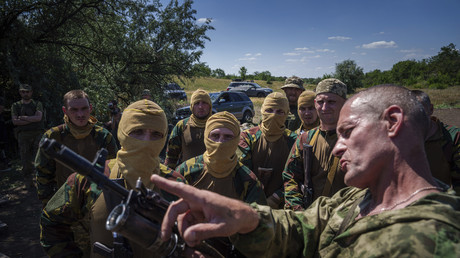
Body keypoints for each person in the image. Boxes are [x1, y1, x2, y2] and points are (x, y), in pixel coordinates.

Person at [152, 84, 460, 257]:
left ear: (392, 122)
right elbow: (298, 228)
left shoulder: (436, 238)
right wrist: (243, 218)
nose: (338, 147)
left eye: (348, 132)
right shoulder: (353, 201)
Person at [40, 99, 180, 257]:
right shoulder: (90, 179)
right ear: (123, 132)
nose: (146, 141)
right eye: (137, 132)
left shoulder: (176, 183)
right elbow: (51, 223)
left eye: (156, 134)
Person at [35, 90, 118, 207]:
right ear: (65, 111)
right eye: (74, 110)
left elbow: (113, 172)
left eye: (84, 108)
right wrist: (48, 204)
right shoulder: (52, 137)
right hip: (63, 201)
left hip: (96, 201)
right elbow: (43, 174)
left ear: (90, 108)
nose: (80, 114)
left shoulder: (104, 136)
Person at [174, 111, 266, 205]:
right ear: (206, 137)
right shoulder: (185, 171)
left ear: (236, 140)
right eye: (215, 135)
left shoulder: (248, 180)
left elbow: (257, 217)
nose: (220, 142)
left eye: (228, 137)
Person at [283, 78, 348, 210]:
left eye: (331, 102)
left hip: (346, 219)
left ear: (345, 104)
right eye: (320, 102)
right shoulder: (305, 139)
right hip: (310, 218)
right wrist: (298, 211)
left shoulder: (357, 139)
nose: (325, 107)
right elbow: (290, 176)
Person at [238, 92, 297, 208]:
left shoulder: (294, 141)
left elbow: (295, 177)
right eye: (269, 110)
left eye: (279, 112)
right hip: (250, 203)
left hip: (282, 206)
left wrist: (276, 198)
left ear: (286, 115)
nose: (274, 115)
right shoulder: (247, 137)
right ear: (262, 111)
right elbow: (242, 172)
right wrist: (258, 200)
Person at [411, 90, 460, 193]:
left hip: (439, 201)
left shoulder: (452, 137)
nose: (414, 117)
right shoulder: (397, 138)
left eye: (420, 111)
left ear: (431, 109)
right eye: (409, 112)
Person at [164, 89, 212, 169]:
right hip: (187, 176)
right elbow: (171, 157)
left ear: (210, 106)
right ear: (192, 106)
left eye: (204, 103)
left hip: (210, 176)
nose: (200, 107)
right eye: (197, 103)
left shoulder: (216, 125)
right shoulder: (182, 126)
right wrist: (169, 176)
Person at [11, 84, 45, 185]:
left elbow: (38, 118)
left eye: (27, 91)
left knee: (39, 157)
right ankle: (28, 181)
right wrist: (32, 119)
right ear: (20, 92)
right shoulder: (16, 105)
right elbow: (15, 122)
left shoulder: (37, 103)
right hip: (23, 135)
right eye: (23, 91)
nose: (25, 94)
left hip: (38, 133)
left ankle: (41, 179)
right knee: (25, 158)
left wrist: (23, 118)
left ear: (31, 92)